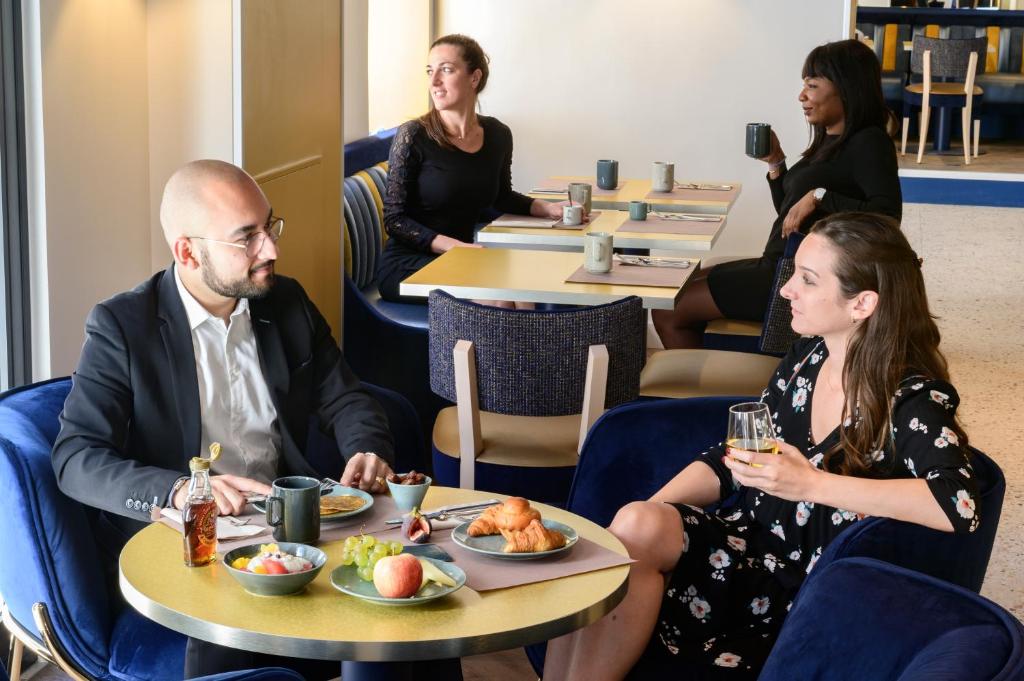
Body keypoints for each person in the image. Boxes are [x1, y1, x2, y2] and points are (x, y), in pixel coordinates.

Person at [544, 212, 979, 681]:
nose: (786, 290)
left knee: (620, 555)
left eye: (807, 280)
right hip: (742, 544)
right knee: (623, 537)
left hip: (798, 589)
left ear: (862, 303)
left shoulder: (912, 399)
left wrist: (810, 483)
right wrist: (635, 528)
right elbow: (733, 456)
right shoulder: (808, 357)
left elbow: (959, 504)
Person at [52, 160, 395, 679]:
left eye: (270, 227)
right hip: (187, 546)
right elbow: (75, 458)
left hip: (287, 527)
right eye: (247, 238)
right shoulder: (122, 327)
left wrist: (366, 449)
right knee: (230, 631)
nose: (271, 250)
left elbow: (346, 398)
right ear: (188, 252)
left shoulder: (286, 302)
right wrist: (181, 492)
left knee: (409, 605)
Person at [653, 39, 902, 348]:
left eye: (812, 86)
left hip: (793, 276)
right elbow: (789, 213)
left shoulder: (869, 142)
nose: (802, 96)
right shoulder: (829, 141)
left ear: (846, 88)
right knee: (684, 284)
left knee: (667, 311)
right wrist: (776, 162)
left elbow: (887, 217)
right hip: (776, 263)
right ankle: (702, 369)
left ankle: (690, 379)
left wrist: (818, 196)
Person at [378, 33, 564, 306]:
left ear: (474, 78)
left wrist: (547, 208)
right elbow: (394, 220)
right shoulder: (413, 135)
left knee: (523, 294)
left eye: (446, 70)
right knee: (500, 300)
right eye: (430, 71)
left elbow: (501, 197)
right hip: (408, 265)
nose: (434, 82)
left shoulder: (498, 134)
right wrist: (455, 247)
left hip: (462, 258)